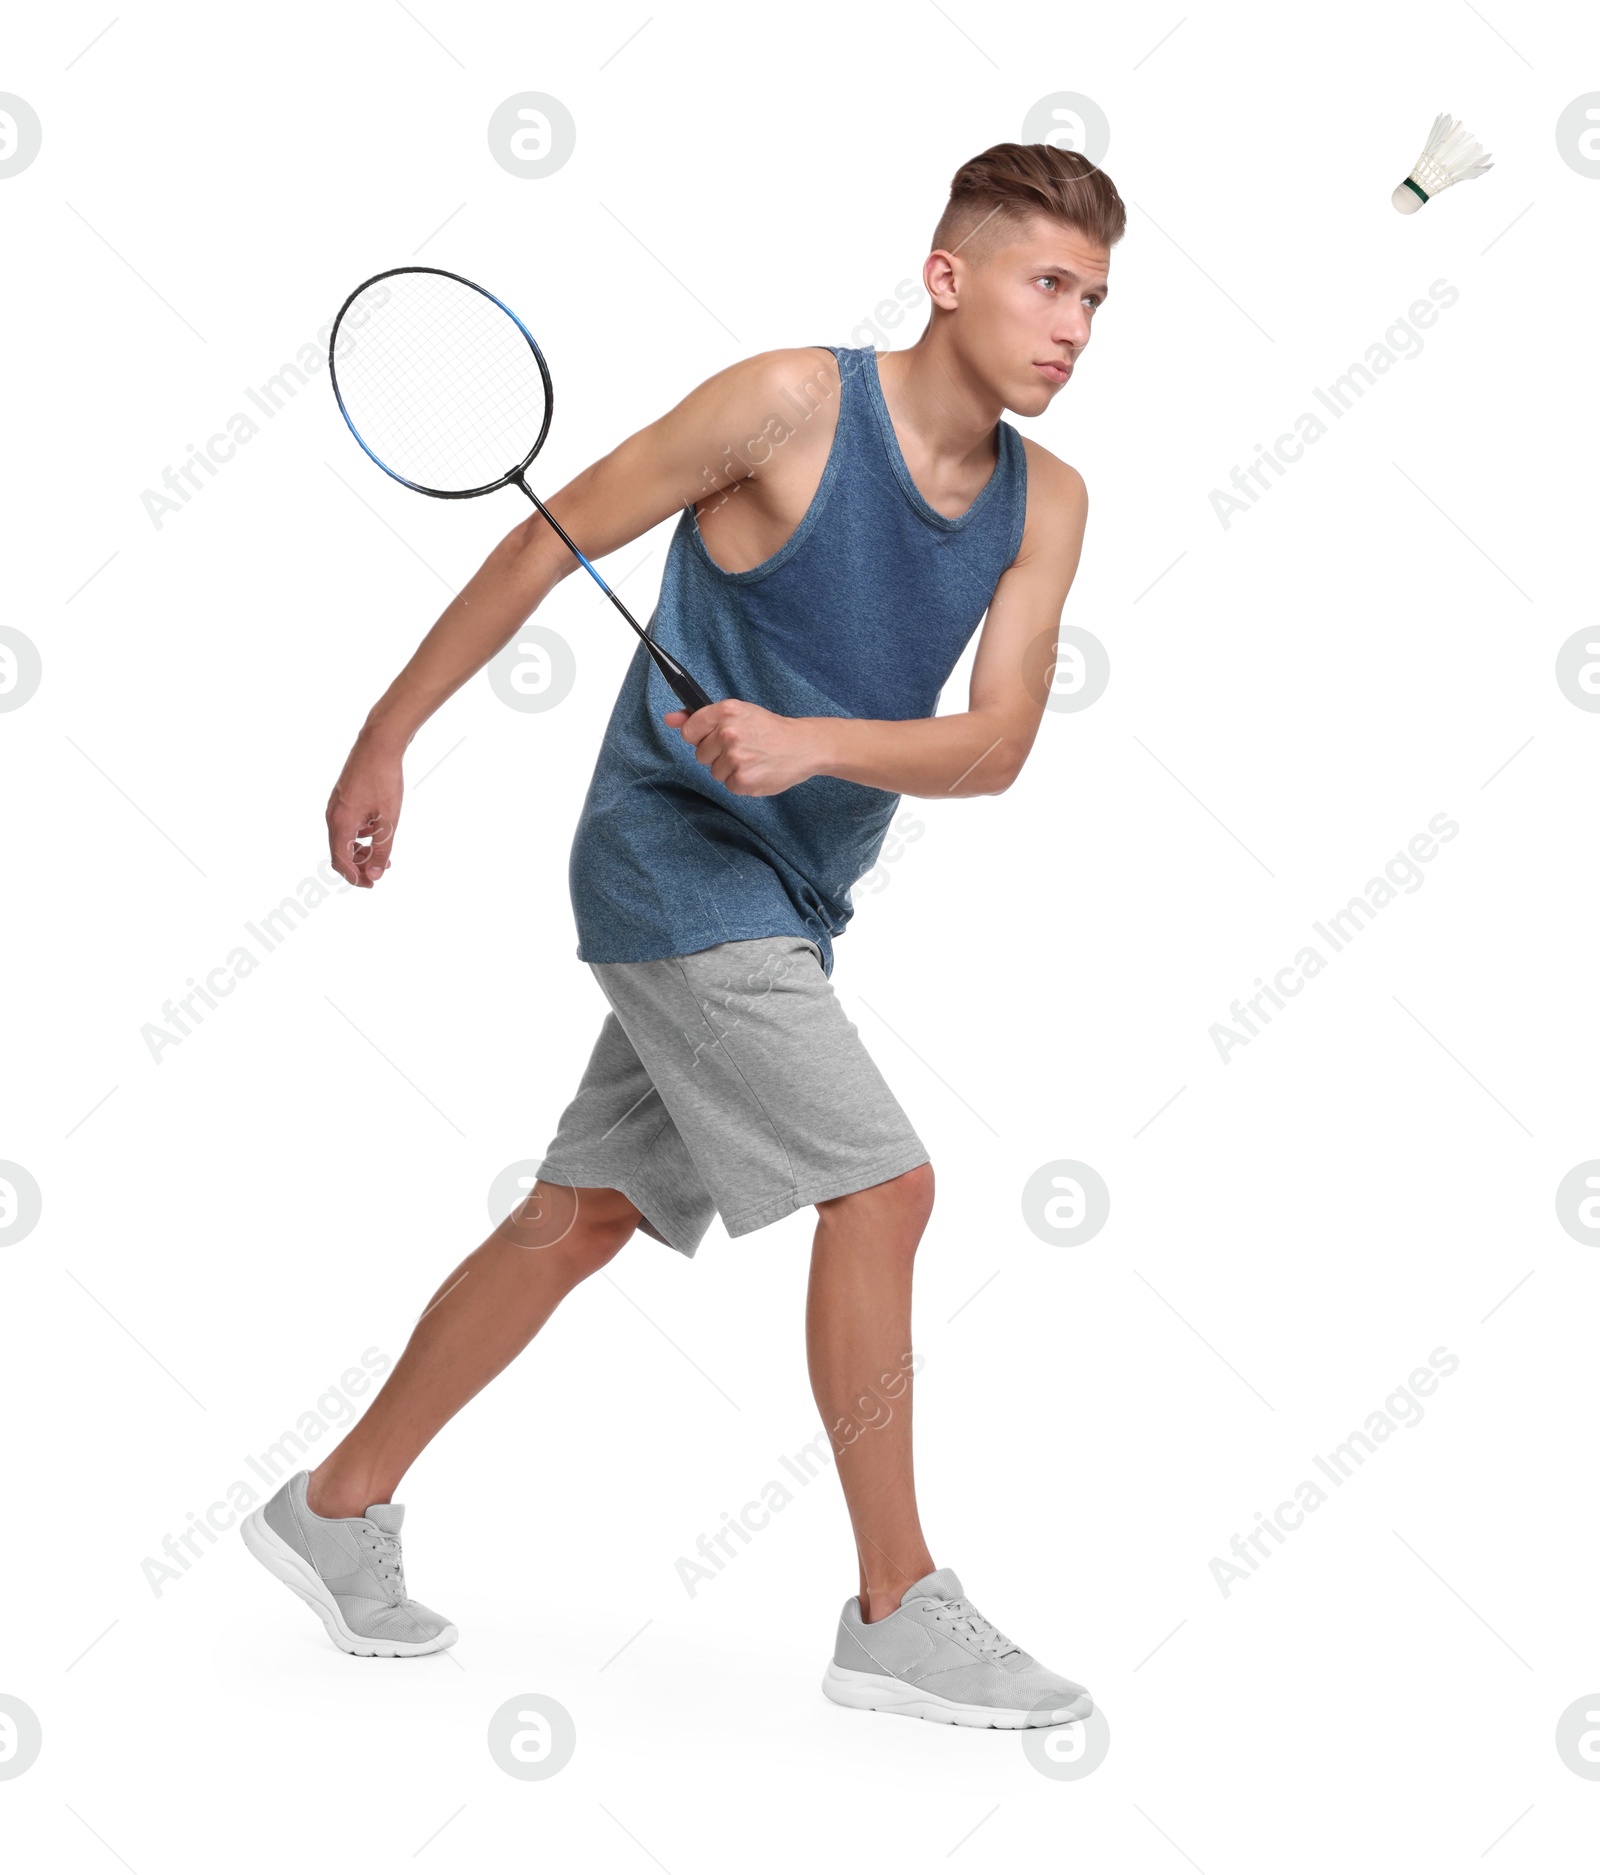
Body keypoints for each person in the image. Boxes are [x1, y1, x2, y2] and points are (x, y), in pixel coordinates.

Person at [242, 139, 1122, 1729]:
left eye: (1096, 300)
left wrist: (810, 742)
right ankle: (896, 1604)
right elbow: (541, 539)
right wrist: (384, 734)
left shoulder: (1044, 502)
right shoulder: (787, 403)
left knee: (580, 1219)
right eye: (1046, 282)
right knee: (886, 1185)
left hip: (795, 897)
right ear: (947, 276)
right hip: (666, 868)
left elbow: (996, 749)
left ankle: (334, 1500)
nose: (1072, 325)